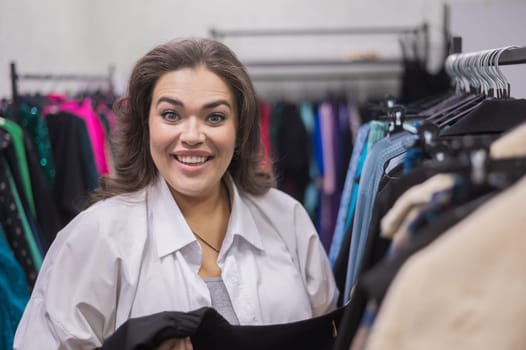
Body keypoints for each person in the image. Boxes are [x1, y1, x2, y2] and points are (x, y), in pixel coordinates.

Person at [13, 38, 338, 349]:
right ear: (145, 125)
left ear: (240, 129)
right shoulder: (97, 237)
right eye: (171, 115)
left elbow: (332, 334)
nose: (193, 135)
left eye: (215, 117)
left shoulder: (287, 218)